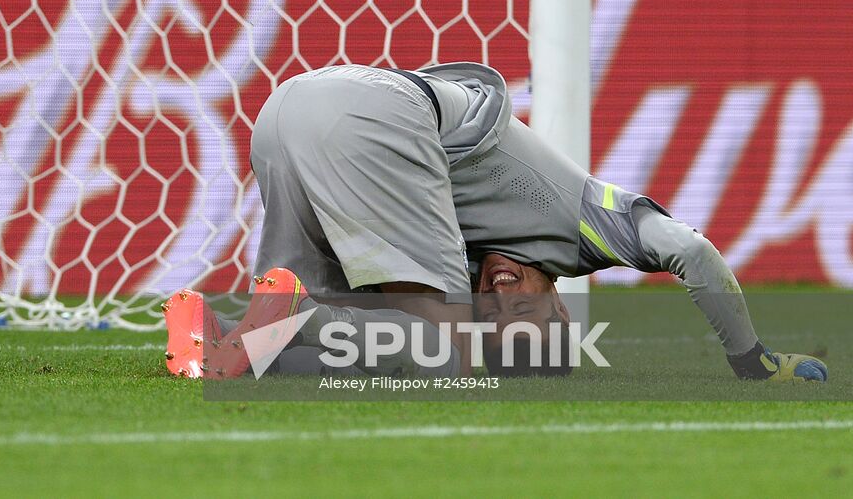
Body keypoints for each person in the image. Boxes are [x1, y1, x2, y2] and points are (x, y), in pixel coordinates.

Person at [164, 62, 829, 381]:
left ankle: (212, 333)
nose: (502, 293)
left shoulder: (458, 241)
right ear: (562, 301)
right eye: (527, 310)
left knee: (333, 344)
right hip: (375, 115)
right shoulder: (583, 223)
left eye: (494, 310)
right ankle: (297, 315)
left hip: (286, 112)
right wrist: (752, 360)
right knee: (447, 362)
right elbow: (688, 247)